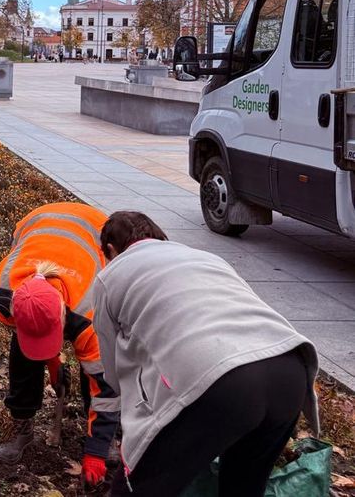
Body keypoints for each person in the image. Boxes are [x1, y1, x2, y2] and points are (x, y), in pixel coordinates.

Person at [93, 211, 319, 497]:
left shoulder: (110, 276)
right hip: (289, 368)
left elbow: (112, 373)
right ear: (160, 237)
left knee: (137, 489)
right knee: (242, 488)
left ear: (111, 250)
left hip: (220, 381)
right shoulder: (206, 258)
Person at [0, 202, 119, 490]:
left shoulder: (89, 311)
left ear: (63, 315)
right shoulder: (3, 290)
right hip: (35, 223)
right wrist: (53, 362)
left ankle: (103, 437)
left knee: (94, 369)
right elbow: (32, 330)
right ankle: (23, 429)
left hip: (94, 230)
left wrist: (96, 454)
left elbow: (105, 386)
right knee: (22, 357)